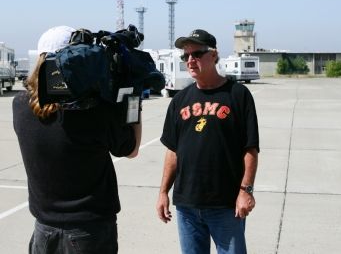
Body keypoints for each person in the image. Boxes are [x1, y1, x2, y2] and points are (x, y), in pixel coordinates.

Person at [13, 26, 142, 254]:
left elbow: (51, 101)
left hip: (44, 229)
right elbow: (130, 149)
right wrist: (133, 101)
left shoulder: (20, 105)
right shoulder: (96, 111)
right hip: (89, 231)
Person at [156, 29, 259, 254]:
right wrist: (163, 191)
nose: (190, 61)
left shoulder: (238, 95)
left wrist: (246, 190)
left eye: (197, 54)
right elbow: (172, 151)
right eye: (186, 56)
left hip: (226, 204)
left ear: (213, 55)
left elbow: (250, 148)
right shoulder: (180, 99)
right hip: (186, 205)